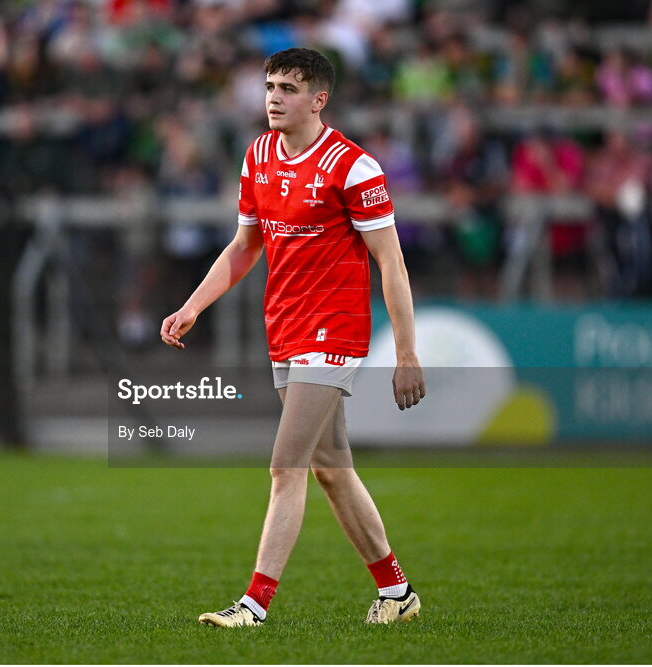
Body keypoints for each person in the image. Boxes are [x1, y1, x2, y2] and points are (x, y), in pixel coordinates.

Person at [160, 48, 427, 627]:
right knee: (331, 468)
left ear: (318, 100)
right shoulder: (257, 155)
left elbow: (392, 264)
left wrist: (406, 352)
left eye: (287, 88)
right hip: (284, 326)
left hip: (334, 332)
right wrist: (192, 306)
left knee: (286, 468)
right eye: (270, 86)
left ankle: (253, 606)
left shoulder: (353, 167)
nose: (274, 97)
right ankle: (397, 593)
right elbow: (245, 246)